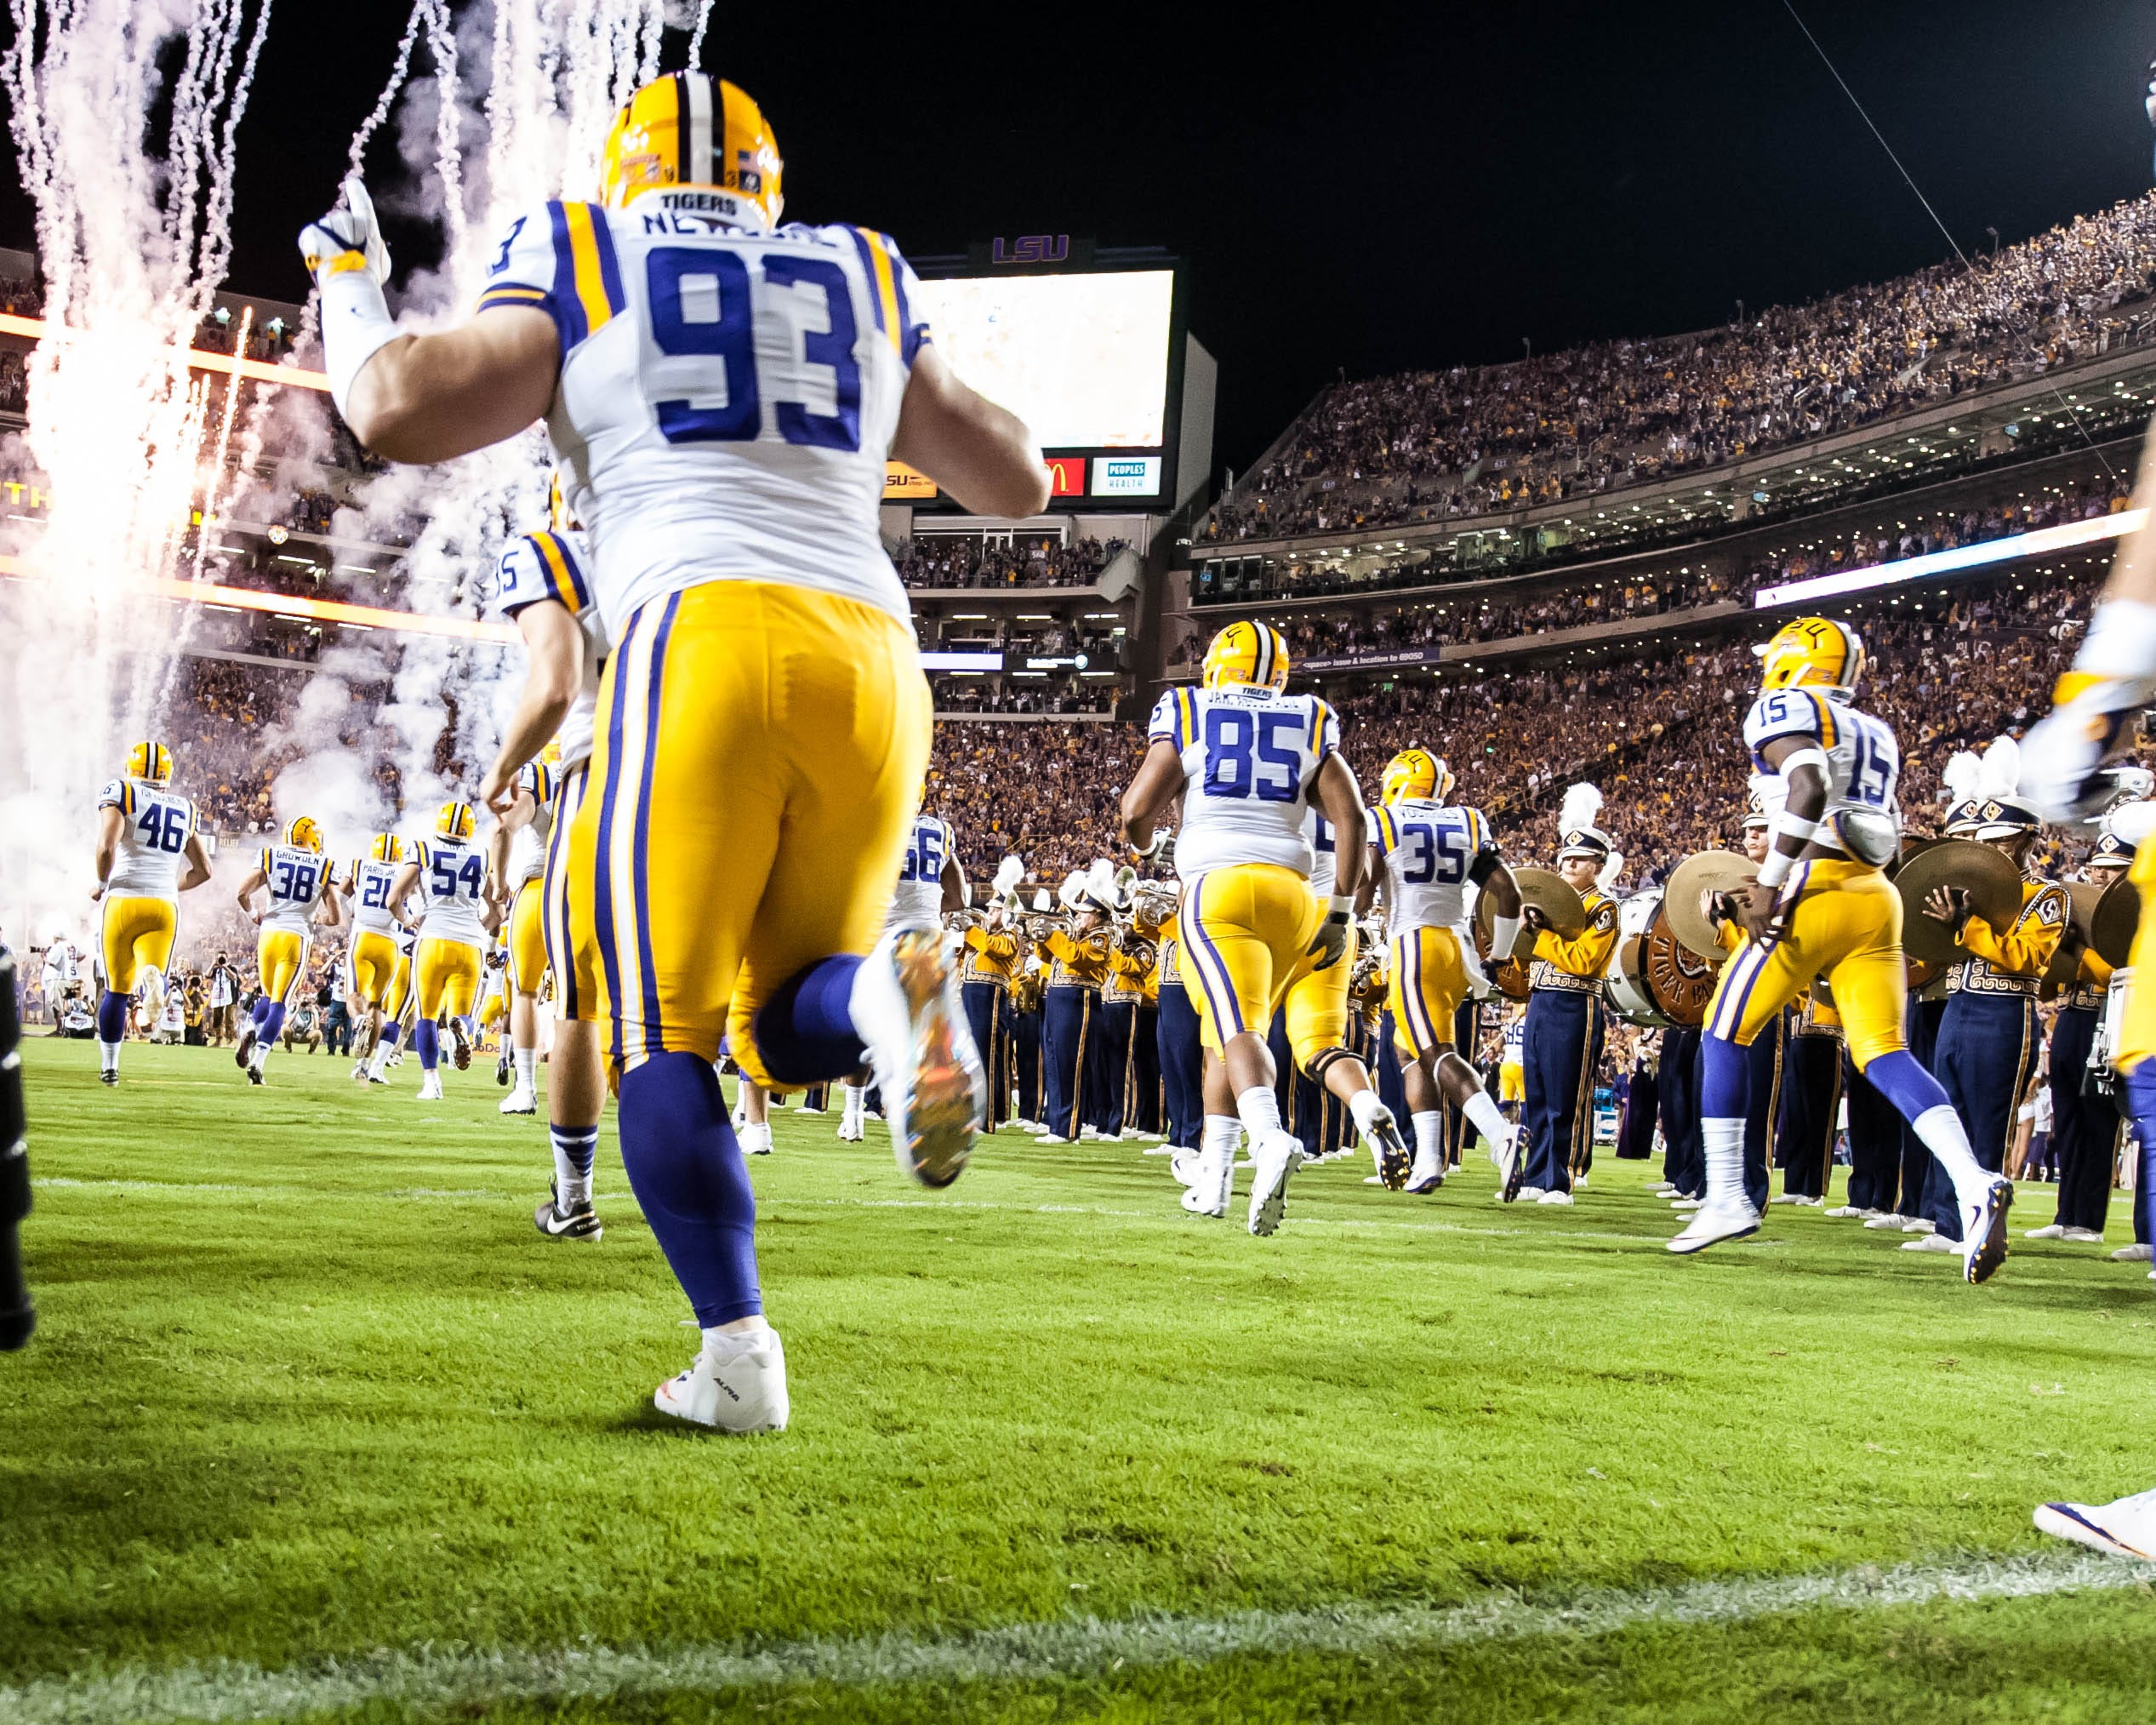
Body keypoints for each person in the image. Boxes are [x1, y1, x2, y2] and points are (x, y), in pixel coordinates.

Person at [304, 68, 1048, 1431]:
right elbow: (1014, 474)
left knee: (665, 1034)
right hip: (878, 659)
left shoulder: (584, 243)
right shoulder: (860, 266)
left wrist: (352, 282)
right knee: (786, 1019)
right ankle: (891, 996)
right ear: (769, 185)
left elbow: (399, 406)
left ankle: (738, 1357)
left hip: (697, 636)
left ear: (628, 172)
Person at [1668, 617, 2011, 1280]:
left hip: (1814, 885)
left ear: (1795, 662)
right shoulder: (1875, 729)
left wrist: (1769, 883)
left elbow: (1809, 785)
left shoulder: (1783, 706)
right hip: (1876, 893)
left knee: (1723, 1032)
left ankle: (1728, 1195)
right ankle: (1973, 1182)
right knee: (1885, 1051)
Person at [1119, 620, 1410, 1234]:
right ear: (1277, 675)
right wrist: (1342, 912)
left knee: (1236, 1032)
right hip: (1298, 896)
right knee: (1232, 1035)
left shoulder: (1188, 706)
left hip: (1219, 890)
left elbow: (1136, 808)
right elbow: (1353, 816)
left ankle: (1269, 1138)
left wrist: (1144, 846)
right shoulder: (1307, 715)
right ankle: (1214, 1181)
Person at [477, 516, 615, 1233]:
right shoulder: (701, 522)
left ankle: (574, 1197)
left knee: (580, 1004)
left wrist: (501, 770)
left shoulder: (556, 550)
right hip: (716, 782)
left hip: (606, 782)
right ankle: (861, 1006)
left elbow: (558, 684)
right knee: (681, 1023)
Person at [1909, 738, 2065, 1260]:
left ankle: (1982, 1227)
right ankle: (1946, 1221)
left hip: (2005, 1012)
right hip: (1958, 1006)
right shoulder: (1969, 894)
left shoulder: (2047, 895)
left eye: (2000, 842)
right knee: (1945, 1112)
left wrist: (1968, 926)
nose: (1990, 851)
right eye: (1985, 841)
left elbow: (2027, 958)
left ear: (2025, 840)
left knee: (1989, 1119)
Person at [1363, 747, 1524, 1197]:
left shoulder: (1386, 820)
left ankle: (1500, 1136)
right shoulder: (1467, 821)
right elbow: (1508, 894)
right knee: (1408, 1053)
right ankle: (1429, 1159)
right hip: (1457, 948)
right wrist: (1500, 956)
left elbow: (1363, 890)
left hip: (1415, 944)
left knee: (1436, 1054)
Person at [2028, 825, 2132, 1243]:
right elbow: (2053, 984)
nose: (2102, 875)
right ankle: (2065, 1212)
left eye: (2114, 868)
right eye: (2099, 867)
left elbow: (2117, 975)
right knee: (2067, 1119)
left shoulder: (2136, 917)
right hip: (2072, 1017)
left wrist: (2078, 953)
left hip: (2108, 1020)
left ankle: (2088, 1219)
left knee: (2098, 1120)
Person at [1518, 785, 1621, 1202]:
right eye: (1564, 858)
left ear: (1598, 867)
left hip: (1577, 1003)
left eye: (1579, 860)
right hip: (1541, 1000)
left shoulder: (1604, 907)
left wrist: (1541, 935)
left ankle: (1560, 1179)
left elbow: (1581, 960)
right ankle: (1534, 1175)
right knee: (1537, 1095)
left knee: (1566, 1097)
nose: (1568, 864)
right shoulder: (1549, 907)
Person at [90, 740, 213, 1086]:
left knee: (116, 989)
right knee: (151, 971)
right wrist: (172, 886)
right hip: (163, 905)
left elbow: (106, 847)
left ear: (131, 769)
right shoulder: (185, 807)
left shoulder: (121, 791)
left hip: (124, 899)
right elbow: (204, 871)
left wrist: (101, 882)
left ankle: (110, 1066)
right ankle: (152, 984)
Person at [389, 803, 497, 1101]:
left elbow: (393, 899)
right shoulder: (483, 854)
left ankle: (431, 1083)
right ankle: (461, 1028)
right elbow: (498, 908)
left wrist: (410, 921)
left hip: (433, 940)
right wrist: (481, 929)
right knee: (464, 1015)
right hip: (470, 944)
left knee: (426, 1016)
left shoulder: (424, 849)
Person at [232, 817, 343, 1087]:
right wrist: (318, 919)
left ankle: (250, 1027)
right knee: (281, 1003)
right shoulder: (323, 864)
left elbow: (241, 893)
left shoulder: (270, 855)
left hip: (269, 934)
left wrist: (254, 914)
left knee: (268, 996)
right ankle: (258, 1062)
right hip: (296, 936)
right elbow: (336, 916)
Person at [343, 833, 411, 1081]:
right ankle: (363, 1066)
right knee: (378, 1005)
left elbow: (339, 898)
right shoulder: (405, 871)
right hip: (390, 944)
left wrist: (350, 913)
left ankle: (359, 1020)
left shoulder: (360, 865)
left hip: (364, 937)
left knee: (355, 995)